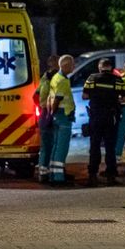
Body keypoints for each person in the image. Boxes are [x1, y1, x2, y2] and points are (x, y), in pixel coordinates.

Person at [82, 58, 125, 187]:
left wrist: (96, 96)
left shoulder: (92, 78)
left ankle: (92, 176)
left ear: (99, 67)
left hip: (96, 116)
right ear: (110, 67)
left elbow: (84, 96)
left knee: (95, 146)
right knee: (110, 147)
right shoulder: (117, 80)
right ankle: (111, 176)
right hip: (111, 116)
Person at [47, 55, 76, 184]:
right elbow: (58, 99)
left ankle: (53, 174)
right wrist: (53, 112)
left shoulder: (56, 77)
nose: (73, 67)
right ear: (65, 66)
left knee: (56, 145)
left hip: (57, 115)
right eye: (71, 65)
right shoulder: (63, 81)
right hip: (63, 115)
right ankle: (59, 177)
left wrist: (51, 114)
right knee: (62, 147)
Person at [34, 54, 59, 182]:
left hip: (44, 113)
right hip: (55, 113)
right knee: (56, 144)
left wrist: (42, 106)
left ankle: (43, 173)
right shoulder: (58, 78)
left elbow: (35, 95)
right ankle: (55, 173)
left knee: (45, 145)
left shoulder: (44, 77)